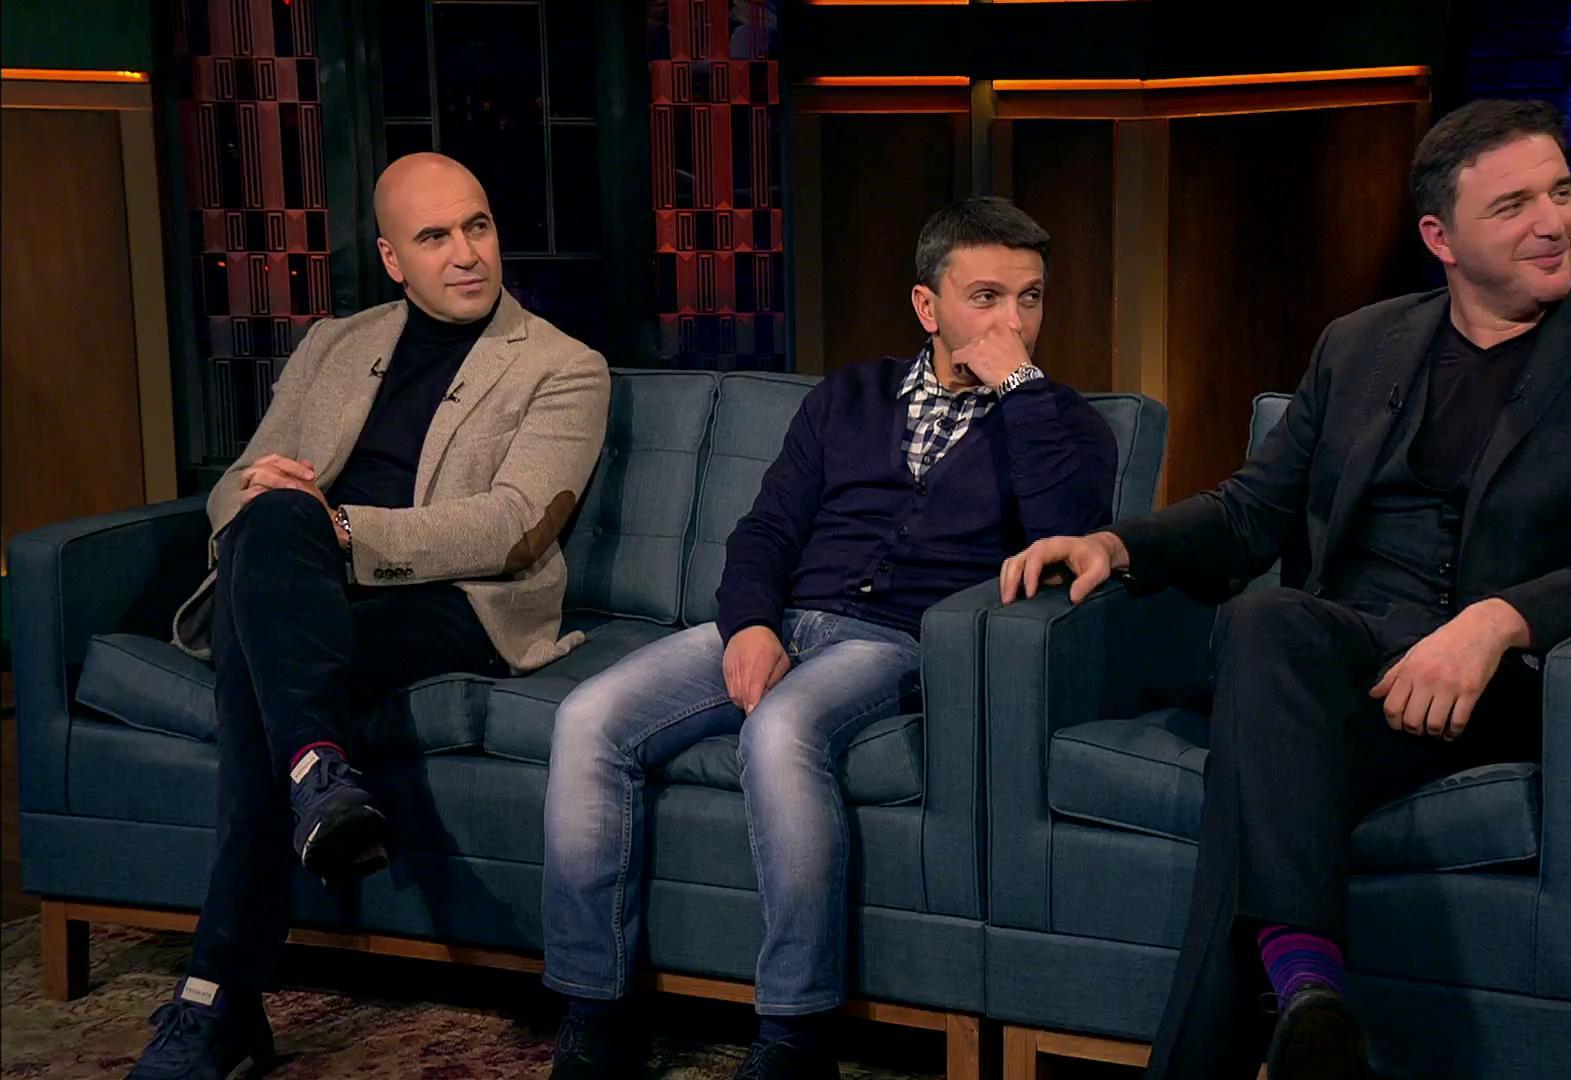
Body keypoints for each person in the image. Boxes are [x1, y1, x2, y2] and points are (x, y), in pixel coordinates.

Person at [1001, 99, 1571, 1079]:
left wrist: (1500, 622)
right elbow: (1253, 510)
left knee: (1251, 753)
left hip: (1494, 684)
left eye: (1560, 192)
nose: (1553, 222)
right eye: (1513, 205)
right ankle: (1308, 1006)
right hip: (1342, 663)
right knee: (1267, 625)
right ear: (1442, 238)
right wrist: (1116, 544)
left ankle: (1296, 993)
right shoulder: (1362, 342)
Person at [542, 196, 1118, 1079]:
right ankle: (593, 1012)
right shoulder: (848, 396)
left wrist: (1020, 392)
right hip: (783, 618)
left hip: (896, 643)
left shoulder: (1065, 425)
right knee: (587, 719)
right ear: (927, 306)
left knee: (780, 731)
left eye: (1030, 298)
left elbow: (1065, 535)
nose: (1013, 322)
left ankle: (794, 1034)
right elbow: (766, 529)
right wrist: (749, 625)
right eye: (987, 298)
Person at [129, 152, 611, 1080]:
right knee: (271, 532)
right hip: (306, 586)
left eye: (477, 226)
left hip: (456, 601)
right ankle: (317, 774)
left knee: (260, 664)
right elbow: (238, 486)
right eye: (434, 237)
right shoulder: (334, 345)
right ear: (393, 259)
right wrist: (267, 500)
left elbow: (513, 525)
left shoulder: (562, 366)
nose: (466, 253)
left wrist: (338, 526)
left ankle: (218, 992)